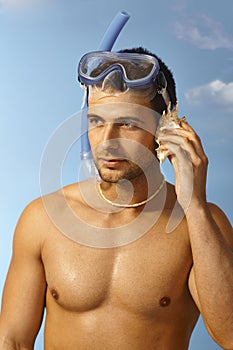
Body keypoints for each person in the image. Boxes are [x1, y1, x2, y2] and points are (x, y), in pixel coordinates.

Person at [0, 47, 233, 350]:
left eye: (128, 124)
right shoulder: (43, 217)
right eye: (97, 121)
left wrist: (196, 206)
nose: (107, 141)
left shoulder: (201, 224)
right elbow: (12, 341)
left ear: (166, 127)